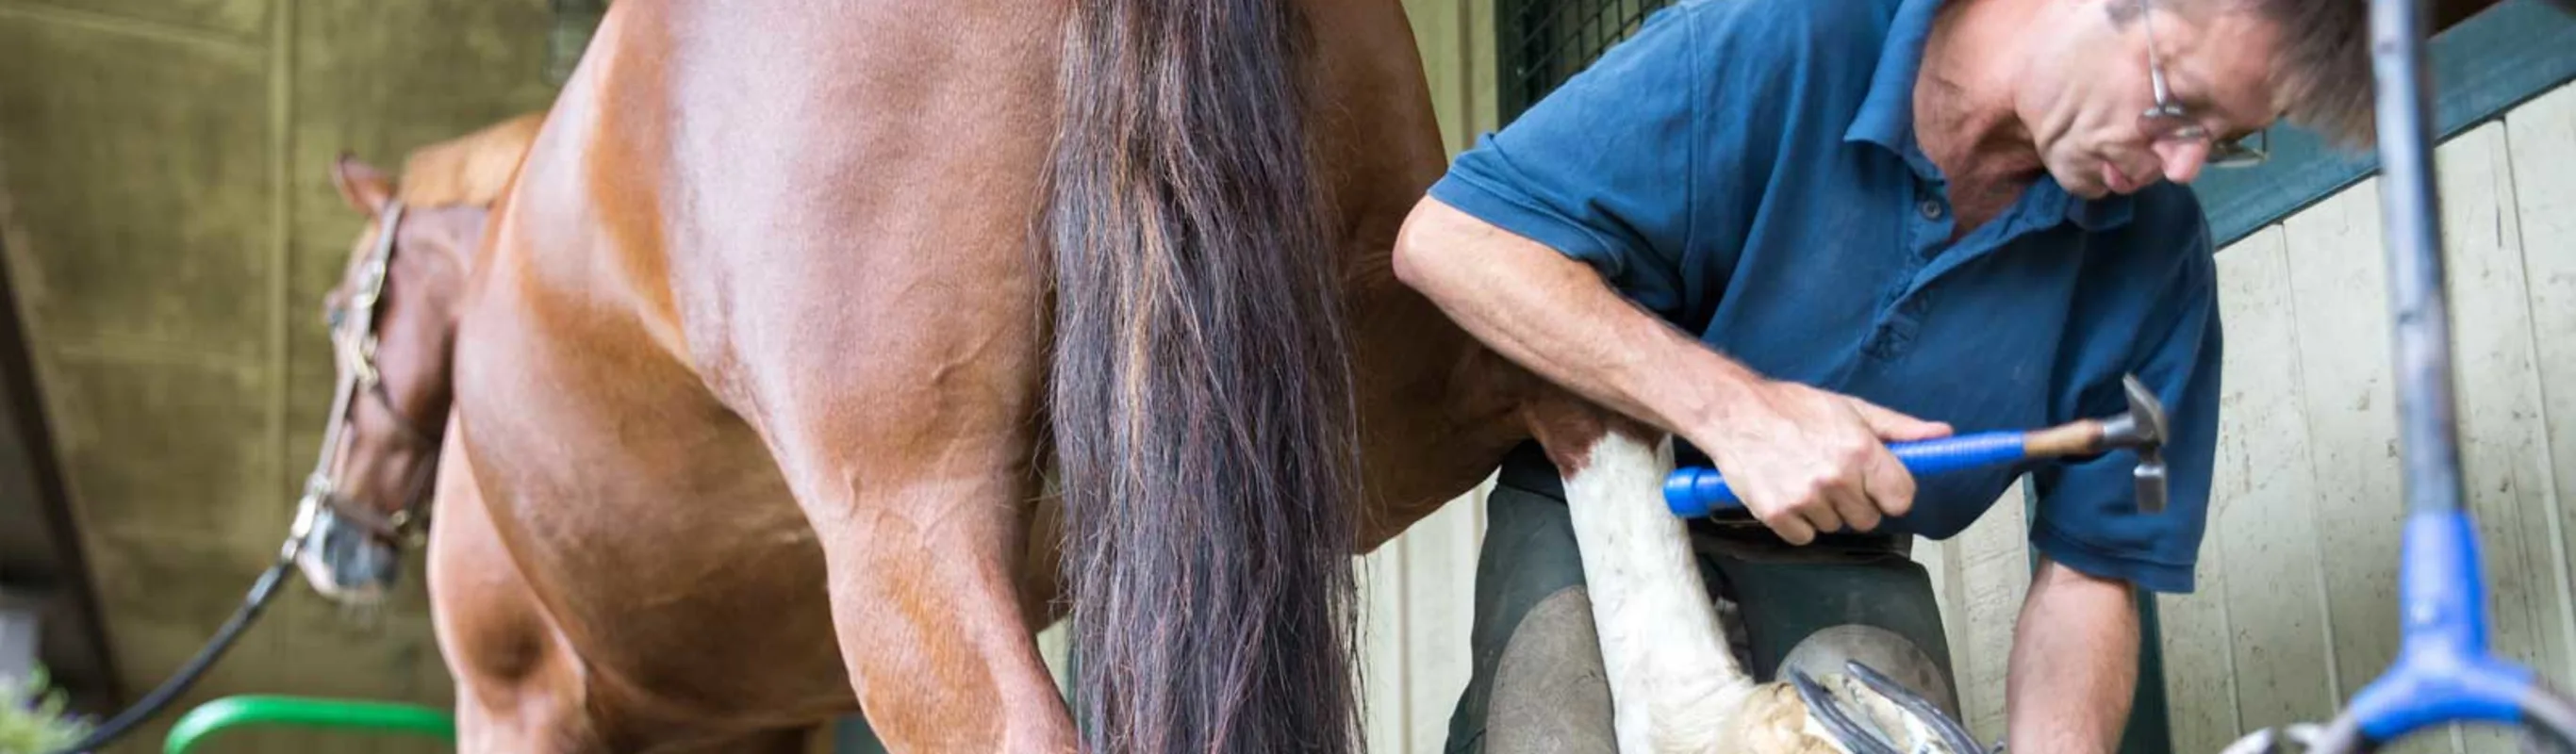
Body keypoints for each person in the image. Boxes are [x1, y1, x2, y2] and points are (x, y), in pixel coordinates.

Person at [1391, 0, 2371, 749]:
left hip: (1848, 553)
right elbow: (1452, 239)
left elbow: (2089, 573)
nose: (2184, 164)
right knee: (1552, 720)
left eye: (2229, 136)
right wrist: (1738, 411)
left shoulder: (2154, 256)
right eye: (2177, 108)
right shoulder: (1787, 37)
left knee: (1871, 692)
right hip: (1596, 487)